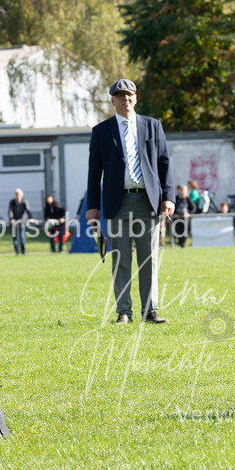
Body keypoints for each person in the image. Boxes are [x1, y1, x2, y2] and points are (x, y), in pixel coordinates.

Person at [86, 78, 175, 324]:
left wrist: (169, 197)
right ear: (113, 100)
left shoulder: (153, 126)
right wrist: (92, 207)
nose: (126, 100)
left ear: (135, 98)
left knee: (149, 260)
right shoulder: (101, 132)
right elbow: (94, 172)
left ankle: (150, 311)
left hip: (148, 202)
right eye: (121, 96)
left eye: (130, 95)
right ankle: (124, 312)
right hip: (117, 203)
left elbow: (164, 163)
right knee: (121, 260)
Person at [8, 188, 32, 255]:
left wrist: (31, 218)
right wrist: (11, 219)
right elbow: (10, 211)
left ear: (21, 195)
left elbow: (28, 210)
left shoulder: (24, 201)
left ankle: (23, 251)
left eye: (18, 194)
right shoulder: (12, 202)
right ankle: (17, 252)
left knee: (22, 237)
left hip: (22, 222)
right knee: (14, 238)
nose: (17, 195)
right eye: (16, 194)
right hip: (13, 223)